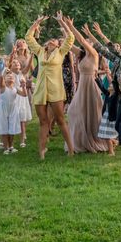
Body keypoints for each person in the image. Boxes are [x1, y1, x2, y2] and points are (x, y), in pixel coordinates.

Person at [83, 22, 121, 164]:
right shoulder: (117, 61)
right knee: (118, 125)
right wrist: (90, 35)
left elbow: (113, 49)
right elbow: (102, 49)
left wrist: (101, 33)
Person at [25, 13, 76, 160]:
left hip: (56, 91)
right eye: (49, 41)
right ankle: (41, 151)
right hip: (41, 91)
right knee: (43, 122)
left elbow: (70, 38)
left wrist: (62, 22)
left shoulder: (61, 53)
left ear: (57, 45)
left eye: (54, 41)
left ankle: (71, 150)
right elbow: (29, 37)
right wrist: (36, 22)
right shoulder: (40, 51)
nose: (51, 42)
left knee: (60, 120)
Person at [63, 17, 109, 154]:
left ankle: (97, 140)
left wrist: (71, 26)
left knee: (93, 115)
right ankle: (79, 140)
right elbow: (69, 44)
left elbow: (82, 40)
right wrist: (65, 26)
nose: (87, 42)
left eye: (89, 42)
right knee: (73, 111)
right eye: (87, 42)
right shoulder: (81, 54)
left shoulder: (94, 54)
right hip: (82, 86)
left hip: (91, 86)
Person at [0, 68, 28, 155]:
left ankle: (11, 147)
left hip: (13, 109)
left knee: (12, 128)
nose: (10, 77)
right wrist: (4, 72)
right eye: (8, 77)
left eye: (11, 76)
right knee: (4, 128)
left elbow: (25, 94)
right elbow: (1, 78)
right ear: (5, 79)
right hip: (3, 109)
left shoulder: (15, 88)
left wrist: (24, 86)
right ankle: (6, 148)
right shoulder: (3, 87)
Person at [9, 58, 32, 148]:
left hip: (22, 98)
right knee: (12, 120)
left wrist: (32, 55)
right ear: (10, 66)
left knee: (22, 121)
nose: (17, 64)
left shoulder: (22, 73)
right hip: (14, 98)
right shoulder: (10, 74)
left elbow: (28, 66)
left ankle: (22, 141)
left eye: (17, 62)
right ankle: (9, 141)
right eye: (14, 63)